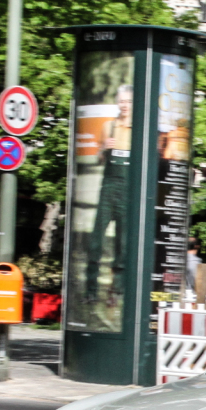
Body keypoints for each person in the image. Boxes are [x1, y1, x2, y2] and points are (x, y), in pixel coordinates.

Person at [85, 83, 133, 305]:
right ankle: (91, 291)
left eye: (128, 101)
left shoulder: (138, 130)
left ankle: (117, 292)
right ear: (117, 102)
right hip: (108, 187)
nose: (124, 105)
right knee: (96, 240)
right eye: (121, 101)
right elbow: (97, 159)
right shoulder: (108, 126)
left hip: (127, 189)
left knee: (122, 244)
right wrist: (104, 147)